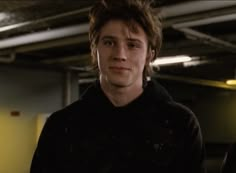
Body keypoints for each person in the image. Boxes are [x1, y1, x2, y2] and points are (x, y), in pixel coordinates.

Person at [30, 0, 206, 172]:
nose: (120, 54)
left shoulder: (180, 124)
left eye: (132, 45)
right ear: (94, 49)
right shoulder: (61, 126)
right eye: (109, 42)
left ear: (149, 55)